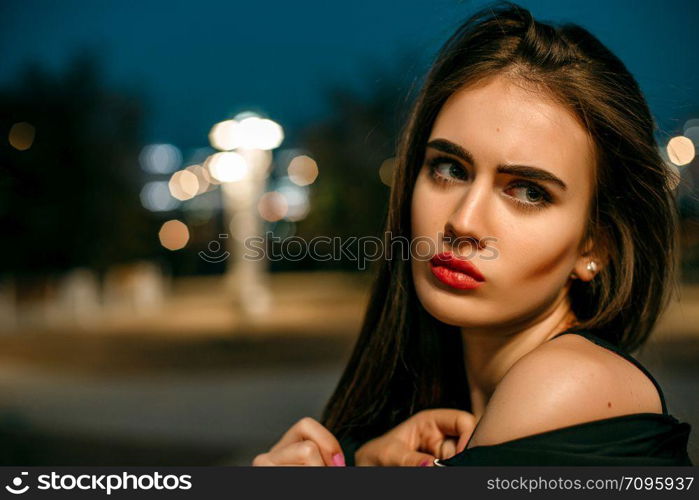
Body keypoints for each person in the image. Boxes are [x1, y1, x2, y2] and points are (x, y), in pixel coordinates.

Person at [252, 1, 693, 466]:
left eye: (527, 191)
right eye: (449, 168)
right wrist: (364, 464)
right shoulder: (450, 408)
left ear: (595, 245)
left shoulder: (569, 385)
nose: (463, 222)